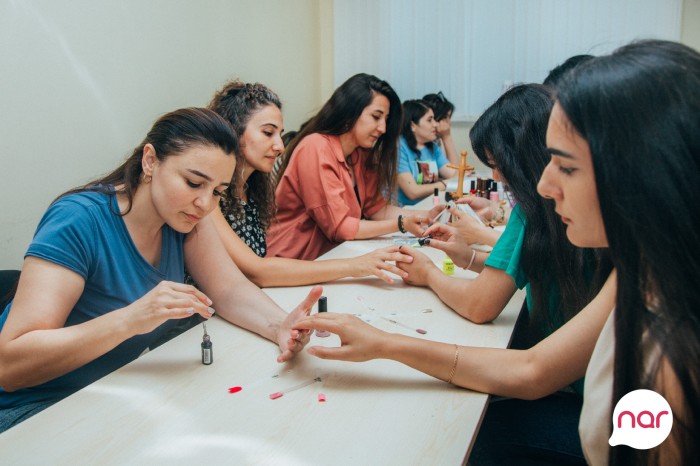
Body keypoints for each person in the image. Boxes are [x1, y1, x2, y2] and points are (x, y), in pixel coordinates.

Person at [293, 40, 700, 465]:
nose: (544, 186)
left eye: (567, 165)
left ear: (642, 173)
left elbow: (522, 357)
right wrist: (387, 342)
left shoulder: (675, 350)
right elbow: (535, 368)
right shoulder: (639, 274)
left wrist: (391, 338)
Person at [0, 108, 320, 432]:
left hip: (99, 396)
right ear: (150, 161)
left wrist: (279, 325)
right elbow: (11, 366)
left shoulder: (186, 217)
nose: (205, 203)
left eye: (218, 192)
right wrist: (132, 318)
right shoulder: (78, 220)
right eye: (194, 182)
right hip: (27, 409)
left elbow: (228, 290)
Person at [206, 80, 413, 286]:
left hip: (267, 284)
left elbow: (373, 207)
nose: (280, 146)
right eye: (268, 133)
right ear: (233, 130)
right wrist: (355, 265)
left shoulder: (252, 189)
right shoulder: (209, 196)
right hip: (280, 270)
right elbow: (257, 271)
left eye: (279, 134)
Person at [268, 73, 443, 260]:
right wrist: (402, 224)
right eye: (376, 117)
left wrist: (426, 216)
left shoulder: (359, 153)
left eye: (385, 119)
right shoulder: (316, 147)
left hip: (333, 256)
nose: (383, 128)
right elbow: (340, 227)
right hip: (294, 260)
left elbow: (377, 210)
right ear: (350, 112)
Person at [396, 100, 457, 206]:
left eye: (434, 119)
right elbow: (413, 192)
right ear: (413, 126)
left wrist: (447, 137)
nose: (435, 124)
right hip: (406, 209)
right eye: (429, 120)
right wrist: (445, 183)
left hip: (430, 204)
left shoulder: (431, 146)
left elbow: (455, 174)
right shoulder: (399, 148)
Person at [422, 91, 459, 166]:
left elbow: (453, 170)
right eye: (445, 117)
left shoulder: (436, 141)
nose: (449, 123)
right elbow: (455, 169)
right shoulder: (422, 141)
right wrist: (446, 137)